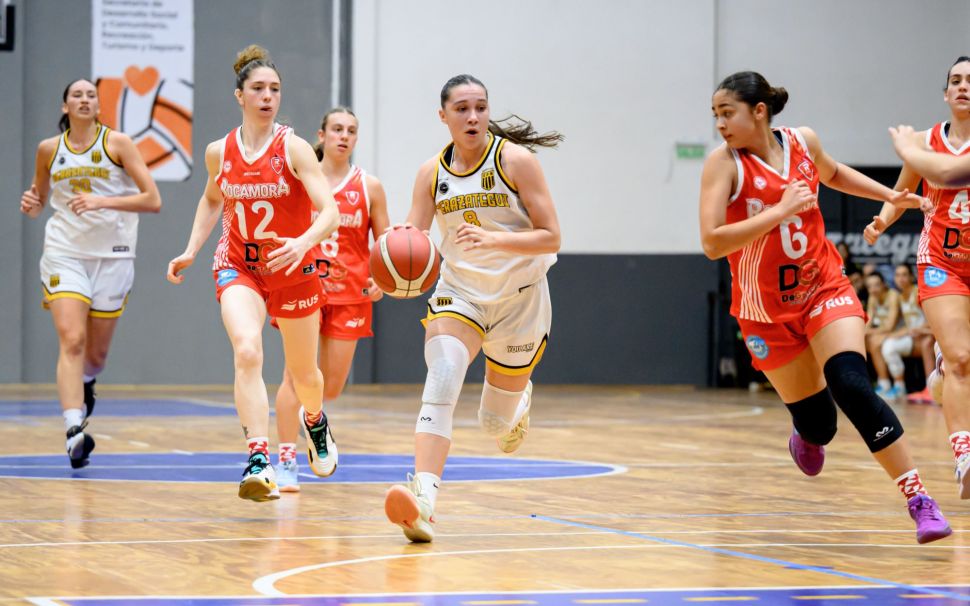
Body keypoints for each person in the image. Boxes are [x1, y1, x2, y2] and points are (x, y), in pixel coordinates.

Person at [699, 70, 951, 543]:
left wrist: (888, 195)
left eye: (727, 113)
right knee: (820, 424)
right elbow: (712, 243)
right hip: (764, 312)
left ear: (759, 111)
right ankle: (807, 433)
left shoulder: (802, 141)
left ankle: (919, 500)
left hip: (823, 287)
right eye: (715, 115)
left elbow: (832, 173)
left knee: (851, 385)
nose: (720, 124)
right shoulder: (724, 164)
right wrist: (778, 211)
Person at [382, 74, 562, 542]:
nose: (473, 116)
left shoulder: (515, 161)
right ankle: (423, 501)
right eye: (462, 109)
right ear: (443, 116)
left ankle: (516, 405)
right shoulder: (431, 173)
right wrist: (384, 275)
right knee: (442, 377)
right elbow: (415, 242)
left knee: (494, 423)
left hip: (521, 299)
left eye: (480, 107)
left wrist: (495, 239)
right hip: (459, 294)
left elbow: (552, 236)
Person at [166, 46, 340, 502]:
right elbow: (212, 199)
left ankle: (314, 419)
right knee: (247, 350)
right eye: (258, 88)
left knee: (305, 377)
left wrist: (303, 242)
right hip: (239, 266)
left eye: (274, 89)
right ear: (239, 95)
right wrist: (190, 249)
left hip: (294, 268)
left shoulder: (294, 148)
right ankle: (258, 459)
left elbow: (330, 212)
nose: (267, 96)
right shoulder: (218, 152)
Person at [20, 78, 161, 469]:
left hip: (113, 256)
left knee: (95, 356)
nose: (84, 100)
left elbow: (153, 200)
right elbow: (39, 199)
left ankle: (86, 383)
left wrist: (102, 201)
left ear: (99, 106)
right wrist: (32, 203)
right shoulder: (49, 149)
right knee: (72, 339)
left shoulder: (118, 144)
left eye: (91, 95)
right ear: (65, 106)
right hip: (64, 252)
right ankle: (73, 430)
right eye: (76, 95)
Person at [272, 107, 390, 492]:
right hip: (302, 285)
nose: (344, 136)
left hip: (350, 293)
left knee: (331, 386)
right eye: (337, 129)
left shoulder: (369, 186)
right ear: (321, 135)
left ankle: (313, 418)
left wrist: (383, 279)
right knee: (296, 375)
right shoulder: (301, 178)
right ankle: (285, 462)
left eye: (351, 131)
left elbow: (385, 244)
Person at [868, 56, 970, 496]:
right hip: (941, 262)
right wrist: (882, 220)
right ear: (945, 94)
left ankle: (943, 370)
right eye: (956, 81)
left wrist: (907, 148)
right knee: (963, 358)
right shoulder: (929, 140)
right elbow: (902, 191)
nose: (963, 86)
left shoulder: (919, 146)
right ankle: (965, 455)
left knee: (961, 362)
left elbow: (944, 172)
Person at [863, 271, 904, 399]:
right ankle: (882, 383)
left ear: (884, 284)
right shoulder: (873, 298)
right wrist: (862, 332)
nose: (873, 289)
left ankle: (892, 384)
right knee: (866, 341)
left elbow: (890, 326)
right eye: (870, 286)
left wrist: (868, 331)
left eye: (876, 285)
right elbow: (868, 321)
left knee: (874, 342)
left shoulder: (893, 296)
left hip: (900, 332)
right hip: (885, 333)